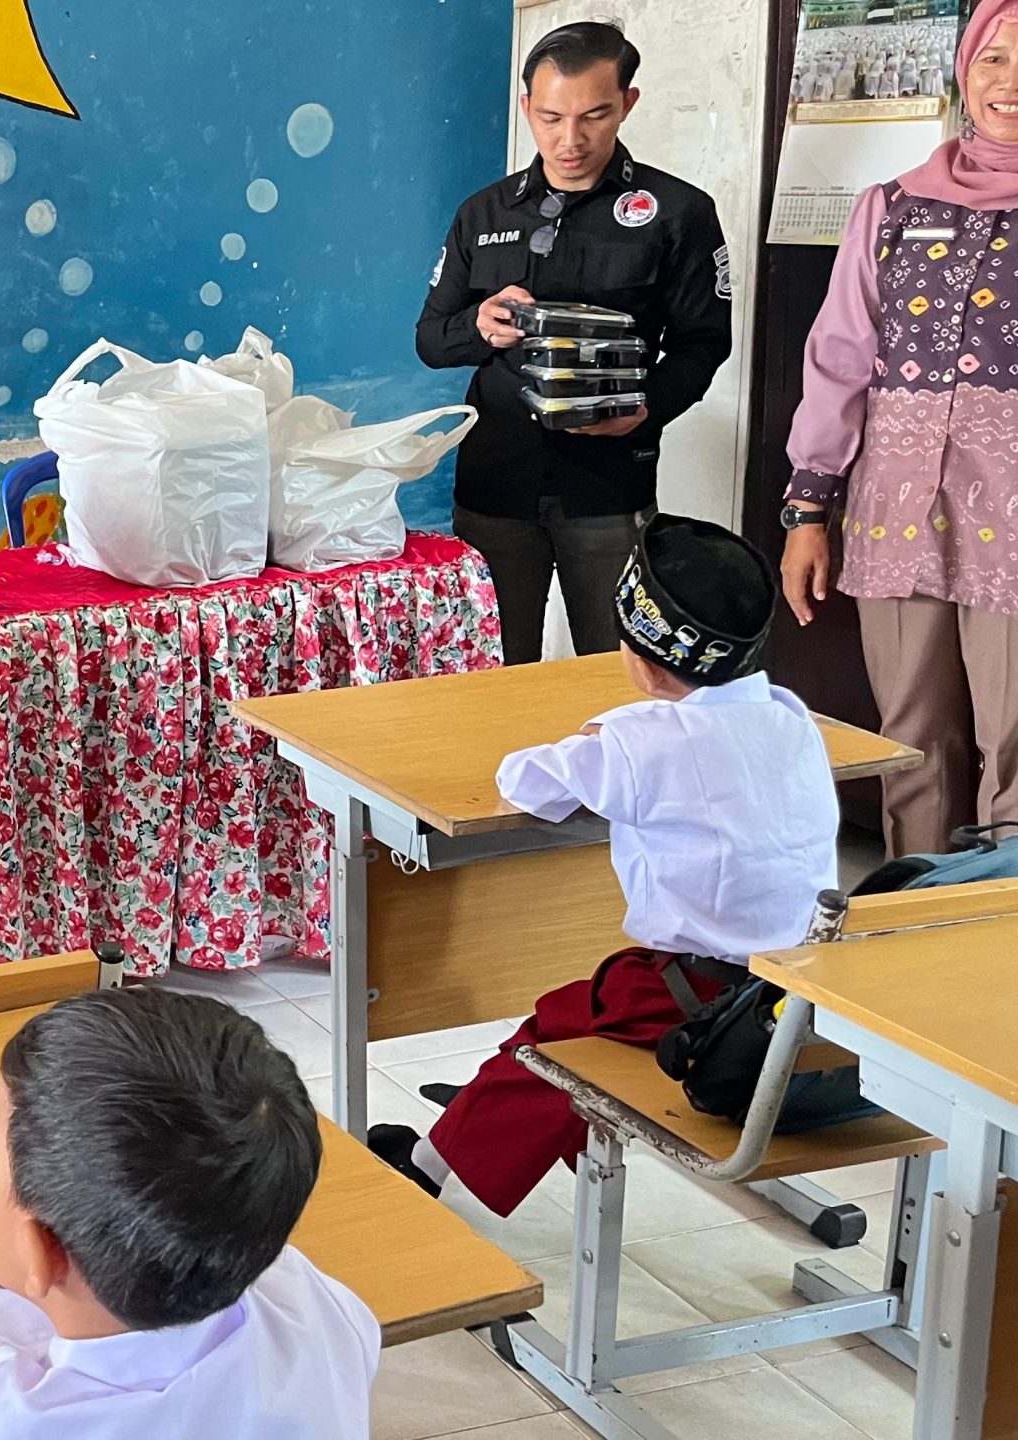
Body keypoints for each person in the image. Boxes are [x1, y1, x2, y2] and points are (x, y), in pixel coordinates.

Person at [368, 517, 854, 1216]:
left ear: (647, 662)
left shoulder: (638, 738)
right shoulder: (789, 718)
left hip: (694, 997)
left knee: (551, 1033)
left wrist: (599, 734)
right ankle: (488, 1109)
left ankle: (428, 1164)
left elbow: (523, 782)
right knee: (570, 1012)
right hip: (797, 987)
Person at [0, 987, 379, 1439]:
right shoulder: (314, 1305)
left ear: (43, 1248)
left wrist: (17, 1283)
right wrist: (33, 1265)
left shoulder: (2, 1421)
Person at [416, 22, 734, 664]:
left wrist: (647, 408)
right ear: (526, 107)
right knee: (491, 678)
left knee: (615, 681)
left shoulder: (678, 212)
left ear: (628, 104)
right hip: (495, 486)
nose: (570, 140)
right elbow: (430, 339)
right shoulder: (485, 213)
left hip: (610, 489)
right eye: (552, 117)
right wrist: (480, 324)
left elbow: (704, 344)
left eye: (595, 116)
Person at [781, 0, 1018, 858]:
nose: (1009, 84)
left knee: (1016, 746)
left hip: (1015, 520)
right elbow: (839, 357)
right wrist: (808, 510)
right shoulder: (891, 205)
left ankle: (998, 950)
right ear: (964, 70)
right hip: (899, 510)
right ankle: (913, 940)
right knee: (912, 739)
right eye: (993, 60)